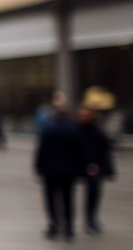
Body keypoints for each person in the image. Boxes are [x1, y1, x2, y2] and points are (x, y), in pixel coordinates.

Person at [35, 101, 87, 241]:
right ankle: (69, 227)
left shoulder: (48, 129)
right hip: (69, 172)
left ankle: (54, 224)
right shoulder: (74, 129)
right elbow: (81, 151)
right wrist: (81, 169)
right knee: (68, 199)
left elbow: (41, 151)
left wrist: (38, 168)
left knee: (51, 199)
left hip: (50, 171)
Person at [77, 106, 114, 234]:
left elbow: (105, 147)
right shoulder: (77, 130)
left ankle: (91, 219)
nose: (84, 118)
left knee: (94, 193)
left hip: (96, 167)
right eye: (82, 116)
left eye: (86, 116)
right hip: (82, 165)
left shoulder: (97, 131)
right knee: (90, 192)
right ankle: (89, 219)